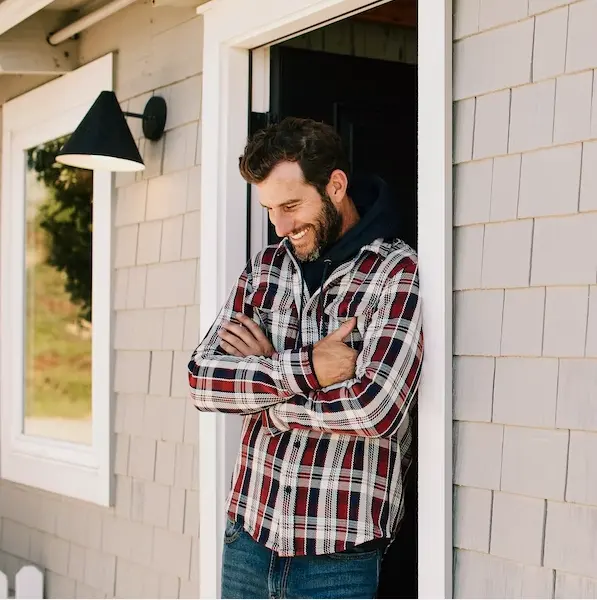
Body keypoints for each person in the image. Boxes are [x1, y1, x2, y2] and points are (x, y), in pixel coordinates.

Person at [188, 117, 423, 599]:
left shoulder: (396, 271)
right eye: (270, 209)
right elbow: (203, 378)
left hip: (338, 553)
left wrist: (267, 394)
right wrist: (308, 368)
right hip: (248, 535)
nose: (281, 226)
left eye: (292, 205)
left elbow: (375, 409)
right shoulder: (265, 268)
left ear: (335, 185)